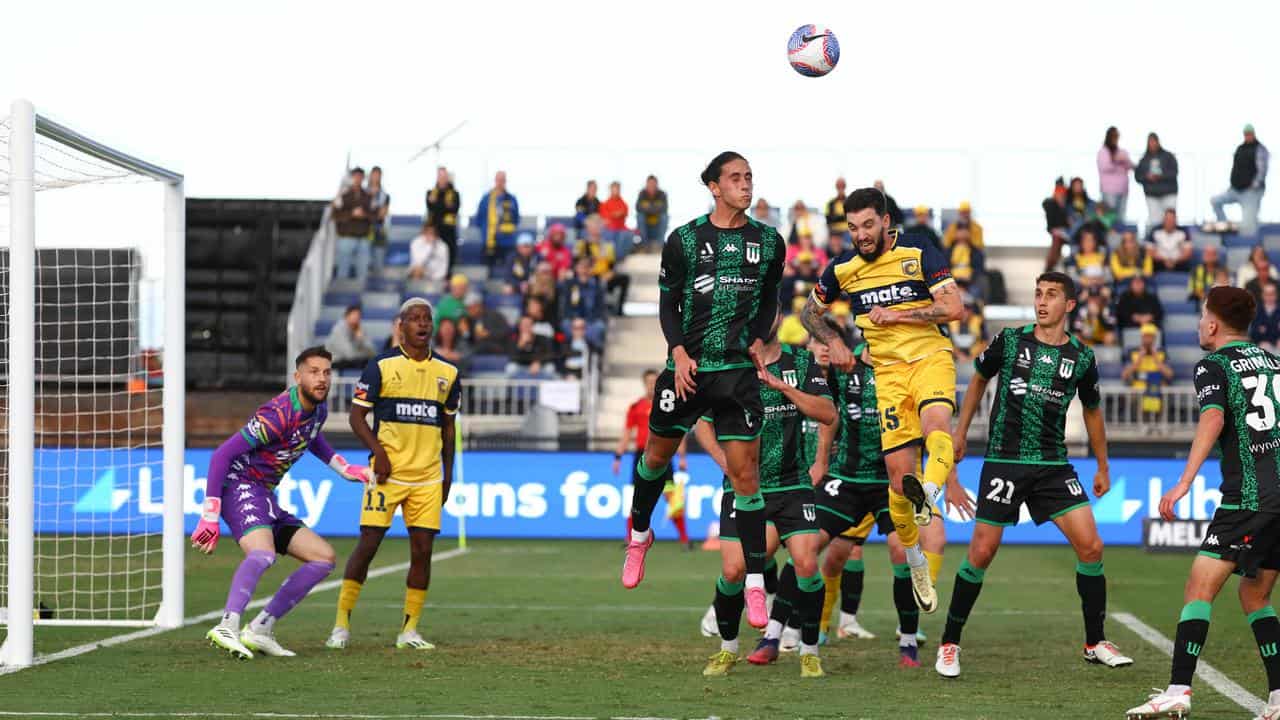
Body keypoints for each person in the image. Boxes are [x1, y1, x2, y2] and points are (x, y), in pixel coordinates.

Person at [940, 272, 1132, 679]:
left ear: (1070, 305)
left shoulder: (1082, 357)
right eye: (1038, 294)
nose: (1042, 302)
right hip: (1005, 460)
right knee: (981, 553)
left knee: (1092, 547)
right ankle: (949, 643)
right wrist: (960, 433)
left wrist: (1102, 465)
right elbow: (978, 379)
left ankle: (1094, 642)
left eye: (1052, 295)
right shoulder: (1010, 340)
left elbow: (1093, 410)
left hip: (1052, 464)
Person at [625, 151, 785, 638]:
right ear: (714, 187)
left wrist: (760, 337)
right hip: (687, 372)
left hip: (737, 374)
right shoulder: (685, 240)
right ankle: (639, 534)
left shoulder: (768, 241)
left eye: (749, 177)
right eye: (736, 178)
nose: (745, 184)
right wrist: (677, 351)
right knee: (655, 457)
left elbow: (770, 299)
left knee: (746, 477)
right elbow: (668, 302)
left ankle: (755, 579)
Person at [801, 186, 968, 616]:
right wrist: (832, 340)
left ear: (886, 221)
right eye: (854, 227)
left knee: (937, 429)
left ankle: (928, 493)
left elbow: (954, 307)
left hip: (930, 356)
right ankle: (916, 563)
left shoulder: (919, 251)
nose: (862, 235)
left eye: (869, 225)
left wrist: (902, 314)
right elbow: (808, 313)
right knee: (897, 482)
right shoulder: (842, 268)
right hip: (888, 375)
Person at [1124, 287, 1280, 720]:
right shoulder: (1274, 361)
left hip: (1249, 496)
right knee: (1255, 594)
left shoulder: (1213, 364)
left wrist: (1183, 482)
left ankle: (1178, 690)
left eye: (1201, 317)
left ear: (1212, 324)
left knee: (1199, 586)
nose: (1198, 325)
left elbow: (1213, 417)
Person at [194, 347, 370, 659]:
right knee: (263, 554)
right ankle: (227, 624)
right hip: (240, 486)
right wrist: (210, 514)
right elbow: (222, 455)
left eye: (327, 372)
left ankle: (260, 628)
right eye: (314, 372)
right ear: (297, 376)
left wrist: (345, 469)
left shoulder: (318, 410)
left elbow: (313, 438)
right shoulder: (276, 416)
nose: (322, 379)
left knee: (323, 558)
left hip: (265, 494)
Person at [801, 333, 959, 668]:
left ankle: (909, 635)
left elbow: (936, 430)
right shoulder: (847, 364)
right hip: (852, 478)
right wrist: (822, 459)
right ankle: (825, 623)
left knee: (907, 550)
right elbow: (831, 414)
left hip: (897, 480)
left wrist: (951, 480)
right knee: (834, 557)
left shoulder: (912, 364)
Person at [695, 313, 837, 678]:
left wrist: (782, 387)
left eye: (771, 309)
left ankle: (808, 651)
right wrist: (725, 463)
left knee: (807, 564)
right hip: (746, 488)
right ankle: (727, 649)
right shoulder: (729, 364)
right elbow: (703, 423)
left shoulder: (801, 361)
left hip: (792, 484)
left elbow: (827, 412)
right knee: (733, 570)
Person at [326, 298, 461, 652]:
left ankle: (409, 630)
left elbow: (448, 429)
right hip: (386, 475)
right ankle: (341, 625)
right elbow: (357, 417)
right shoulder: (380, 366)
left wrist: (448, 477)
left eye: (427, 319)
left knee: (423, 551)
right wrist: (380, 452)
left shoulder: (448, 373)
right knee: (368, 545)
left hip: (428, 478)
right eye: (414, 318)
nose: (422, 324)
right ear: (400, 326)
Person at [613, 370, 690, 547]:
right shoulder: (636, 406)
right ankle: (631, 538)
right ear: (644, 383)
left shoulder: (667, 403)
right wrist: (618, 456)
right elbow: (627, 433)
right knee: (637, 498)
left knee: (672, 499)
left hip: (664, 454)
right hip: (641, 455)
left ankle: (684, 539)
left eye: (654, 381)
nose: (651, 385)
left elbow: (680, 431)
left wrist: (682, 456)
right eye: (648, 382)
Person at [1211, 124, 1270, 236]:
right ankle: (1224, 226)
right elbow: (1235, 169)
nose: (1247, 136)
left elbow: (1262, 171)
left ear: (1253, 134)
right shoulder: (1240, 148)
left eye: (1249, 133)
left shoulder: (1260, 149)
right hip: (1234, 190)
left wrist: (1253, 188)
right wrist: (1233, 185)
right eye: (1246, 134)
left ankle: (1251, 250)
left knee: (1248, 229)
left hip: (1250, 193)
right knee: (1215, 201)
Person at [577, 214, 631, 313]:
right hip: (589, 275)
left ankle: (619, 310)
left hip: (605, 275)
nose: (596, 228)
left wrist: (610, 273)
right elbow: (576, 263)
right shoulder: (582, 245)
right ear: (588, 228)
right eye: (593, 225)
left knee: (624, 278)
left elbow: (612, 264)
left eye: (598, 225)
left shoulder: (607, 245)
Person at [1122, 323, 1174, 423]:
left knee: (1165, 393)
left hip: (1156, 385)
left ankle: (1159, 426)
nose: (1148, 340)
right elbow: (1124, 375)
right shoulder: (1132, 351)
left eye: (1151, 337)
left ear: (1155, 338)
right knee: (1134, 396)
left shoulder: (1161, 352)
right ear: (1142, 337)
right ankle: (1141, 426)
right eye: (1146, 336)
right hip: (1138, 386)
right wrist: (1138, 360)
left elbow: (1170, 374)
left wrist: (1156, 358)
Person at [331, 167, 373, 281]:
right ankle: (341, 297)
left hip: (363, 237)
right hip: (346, 237)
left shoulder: (368, 196)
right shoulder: (343, 195)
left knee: (362, 272)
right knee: (343, 271)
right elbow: (335, 215)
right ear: (351, 178)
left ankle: (360, 297)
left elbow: (374, 215)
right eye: (356, 176)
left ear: (363, 178)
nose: (358, 179)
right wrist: (351, 214)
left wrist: (363, 214)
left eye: (360, 177)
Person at [559, 255, 608, 347]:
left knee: (599, 327)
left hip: (591, 321)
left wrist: (586, 321)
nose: (584, 270)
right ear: (576, 268)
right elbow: (565, 306)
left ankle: (593, 357)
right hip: (572, 320)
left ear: (591, 269)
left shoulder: (597, 285)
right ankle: (567, 357)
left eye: (587, 267)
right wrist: (575, 319)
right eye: (581, 267)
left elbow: (601, 308)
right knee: (564, 326)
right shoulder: (570, 284)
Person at [1135, 133, 1179, 232]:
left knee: (1170, 219)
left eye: (1154, 141)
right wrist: (1147, 177)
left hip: (1169, 193)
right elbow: (1138, 176)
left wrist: (1160, 176)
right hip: (1152, 194)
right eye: (1150, 142)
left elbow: (1174, 172)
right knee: (1155, 221)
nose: (1152, 144)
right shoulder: (1144, 159)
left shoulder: (1168, 156)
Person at [475, 171, 519, 267]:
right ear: (495, 181)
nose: (500, 182)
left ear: (506, 181)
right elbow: (479, 219)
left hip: (507, 241)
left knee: (507, 268)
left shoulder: (511, 199)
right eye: (498, 180)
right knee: (486, 268)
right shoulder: (486, 199)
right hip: (489, 241)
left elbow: (516, 219)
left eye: (502, 180)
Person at [426, 167, 460, 274]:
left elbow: (454, 209)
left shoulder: (455, 194)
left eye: (444, 176)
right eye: (440, 176)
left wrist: (437, 205)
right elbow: (431, 208)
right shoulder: (430, 192)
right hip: (434, 231)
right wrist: (445, 206)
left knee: (449, 257)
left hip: (449, 231)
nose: (442, 179)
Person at [1098, 127, 1134, 223]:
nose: (1116, 138)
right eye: (1114, 136)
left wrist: (1123, 160)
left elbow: (1131, 165)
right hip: (1109, 191)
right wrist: (1118, 161)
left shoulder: (1122, 152)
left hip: (1123, 190)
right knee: (1109, 217)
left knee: (1121, 217)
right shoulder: (1103, 151)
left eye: (1117, 136)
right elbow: (1105, 166)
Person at [325, 305, 377, 370]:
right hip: (336, 361)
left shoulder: (360, 329)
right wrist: (364, 353)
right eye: (354, 315)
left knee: (372, 363)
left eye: (358, 316)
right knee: (363, 362)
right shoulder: (338, 329)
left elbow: (372, 352)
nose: (356, 318)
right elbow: (350, 354)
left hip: (353, 361)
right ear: (346, 316)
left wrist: (361, 339)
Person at [1068, 228, 1110, 296]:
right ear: (1081, 242)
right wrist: (1083, 281)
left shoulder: (1102, 256)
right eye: (1086, 240)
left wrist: (1100, 281)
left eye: (1091, 240)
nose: (1088, 243)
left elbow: (1109, 276)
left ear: (1095, 242)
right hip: (1082, 288)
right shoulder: (1075, 257)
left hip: (1100, 287)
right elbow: (1072, 275)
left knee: (1107, 293)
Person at [366, 166, 391, 277]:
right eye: (374, 174)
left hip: (379, 229)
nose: (375, 177)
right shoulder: (363, 192)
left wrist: (369, 212)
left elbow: (382, 214)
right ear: (370, 175)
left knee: (378, 258)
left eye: (378, 175)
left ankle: (377, 283)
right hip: (364, 229)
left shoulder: (385, 195)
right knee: (365, 259)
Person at [1043, 179, 1071, 271]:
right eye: (1059, 194)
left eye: (1063, 195)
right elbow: (1051, 226)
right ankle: (1049, 267)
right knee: (1056, 241)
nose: (1061, 196)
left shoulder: (1068, 206)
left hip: (1069, 232)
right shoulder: (1050, 205)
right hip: (1058, 234)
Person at [635, 175, 669, 251]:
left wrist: (648, 208)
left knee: (665, 216)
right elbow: (638, 208)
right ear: (646, 184)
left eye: (653, 183)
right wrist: (655, 208)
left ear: (657, 184)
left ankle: (659, 245)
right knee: (639, 216)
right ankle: (645, 245)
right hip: (646, 229)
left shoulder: (662, 194)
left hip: (657, 228)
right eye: (650, 183)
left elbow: (664, 208)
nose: (651, 185)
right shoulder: (642, 194)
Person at [600, 181, 631, 258]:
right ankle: (613, 259)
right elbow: (606, 219)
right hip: (609, 229)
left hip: (621, 228)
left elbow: (623, 214)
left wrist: (614, 215)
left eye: (617, 189)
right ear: (610, 190)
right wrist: (615, 215)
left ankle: (619, 258)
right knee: (609, 234)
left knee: (628, 235)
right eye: (614, 189)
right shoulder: (605, 204)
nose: (616, 191)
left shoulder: (623, 203)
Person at [1254, 283, 1280, 351]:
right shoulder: (1257, 311)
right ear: (1262, 295)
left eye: (1272, 294)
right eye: (1267, 294)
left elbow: (1265, 329)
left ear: (1276, 295)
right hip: (1262, 343)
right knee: (1264, 348)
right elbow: (1254, 332)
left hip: (1278, 343)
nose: (1269, 297)